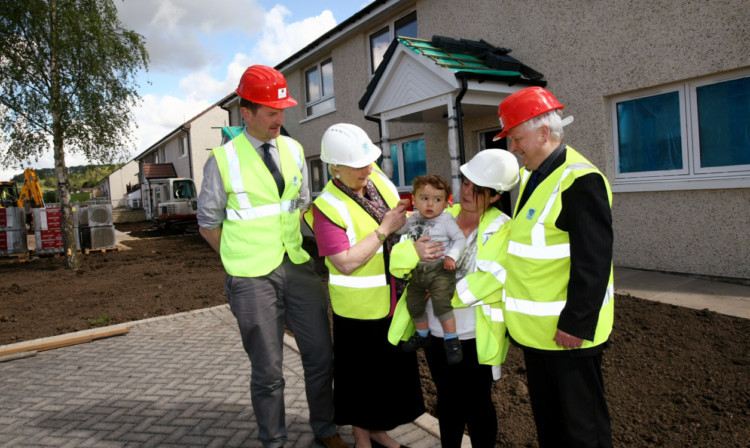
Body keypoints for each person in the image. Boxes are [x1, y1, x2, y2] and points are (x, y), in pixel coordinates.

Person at [197, 65, 346, 448]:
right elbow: (208, 223)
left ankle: (325, 428)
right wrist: (236, 258)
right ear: (245, 113)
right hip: (250, 278)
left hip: (297, 266)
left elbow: (298, 205)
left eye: (283, 110)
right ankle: (274, 441)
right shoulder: (223, 160)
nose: (280, 118)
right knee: (268, 371)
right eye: (271, 111)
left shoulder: (294, 149)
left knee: (320, 355)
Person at [495, 86, 614, 448]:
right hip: (538, 335)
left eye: (516, 139)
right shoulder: (536, 174)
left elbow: (593, 262)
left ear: (544, 133)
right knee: (551, 424)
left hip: (568, 337)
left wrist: (576, 322)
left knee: (583, 431)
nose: (512, 148)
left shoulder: (581, 181)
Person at [388, 149, 520, 448]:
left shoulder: (505, 229)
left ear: (496, 196)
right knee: (447, 400)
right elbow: (397, 262)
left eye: (479, 189)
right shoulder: (436, 216)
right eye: (466, 182)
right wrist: (413, 252)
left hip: (474, 334)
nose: (468, 192)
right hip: (436, 332)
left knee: (477, 404)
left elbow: (492, 279)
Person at [303, 123, 424, 448]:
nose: (367, 169)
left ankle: (378, 430)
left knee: (385, 377)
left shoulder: (377, 181)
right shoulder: (326, 208)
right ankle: (362, 439)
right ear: (336, 168)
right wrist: (384, 230)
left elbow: (400, 215)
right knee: (360, 379)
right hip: (357, 311)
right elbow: (344, 261)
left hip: (392, 302)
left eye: (368, 161)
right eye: (358, 164)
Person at [396, 174, 466, 364]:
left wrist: (451, 256)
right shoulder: (412, 219)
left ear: (446, 203)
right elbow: (397, 230)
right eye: (424, 198)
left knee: (441, 301)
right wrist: (400, 210)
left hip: (440, 269)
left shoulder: (446, 220)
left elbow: (460, 239)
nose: (430, 204)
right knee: (413, 302)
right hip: (418, 271)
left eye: (437, 200)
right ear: (414, 198)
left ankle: (452, 340)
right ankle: (422, 334)